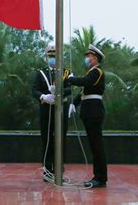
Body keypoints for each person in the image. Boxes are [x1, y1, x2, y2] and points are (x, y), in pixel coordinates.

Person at [67, 44, 107, 188]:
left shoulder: (97, 72)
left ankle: (100, 178)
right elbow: (84, 91)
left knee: (97, 146)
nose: (87, 58)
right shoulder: (91, 72)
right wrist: (74, 103)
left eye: (88, 56)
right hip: (89, 111)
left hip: (94, 111)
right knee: (94, 145)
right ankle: (98, 176)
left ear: (95, 58)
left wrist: (71, 79)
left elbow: (85, 82)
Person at [31, 45, 71, 181]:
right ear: (46, 57)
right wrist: (43, 97)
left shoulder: (65, 73)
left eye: (55, 56)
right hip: (46, 109)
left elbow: (70, 89)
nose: (52, 58)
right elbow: (34, 90)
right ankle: (47, 172)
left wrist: (58, 92)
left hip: (61, 109)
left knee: (61, 139)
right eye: (50, 56)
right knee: (47, 139)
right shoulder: (40, 73)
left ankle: (59, 171)